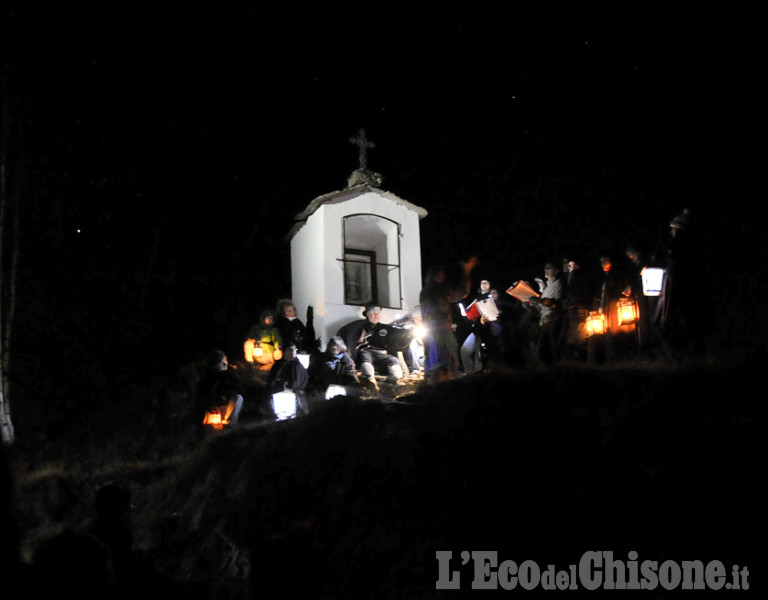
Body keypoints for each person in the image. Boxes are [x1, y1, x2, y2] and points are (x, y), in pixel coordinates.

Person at [336, 304, 404, 390]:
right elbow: (353, 342)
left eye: (378, 313)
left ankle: (397, 379)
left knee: (393, 360)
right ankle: (370, 379)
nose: (376, 315)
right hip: (367, 351)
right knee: (366, 357)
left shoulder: (384, 328)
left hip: (381, 352)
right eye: (373, 313)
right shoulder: (360, 327)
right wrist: (361, 339)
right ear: (367, 315)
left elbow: (391, 344)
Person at [419, 266, 461, 379]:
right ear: (439, 275)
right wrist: (466, 273)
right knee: (449, 354)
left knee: (432, 356)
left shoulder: (425, 290)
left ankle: (430, 380)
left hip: (430, 328)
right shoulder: (440, 288)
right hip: (441, 328)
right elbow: (458, 294)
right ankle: (450, 379)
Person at [526, 262, 563, 367]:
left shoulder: (558, 284)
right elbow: (539, 311)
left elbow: (554, 304)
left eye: (549, 268)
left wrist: (538, 301)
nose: (546, 270)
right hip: (544, 321)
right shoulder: (547, 288)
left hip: (552, 320)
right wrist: (528, 306)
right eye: (545, 268)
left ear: (556, 270)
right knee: (542, 351)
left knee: (546, 350)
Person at [196, 350, 245, 427]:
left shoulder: (230, 373)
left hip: (227, 407)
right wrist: (211, 404)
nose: (225, 364)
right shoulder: (207, 377)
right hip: (212, 411)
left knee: (238, 398)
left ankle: (229, 425)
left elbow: (238, 388)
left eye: (225, 361)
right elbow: (202, 395)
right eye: (222, 362)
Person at [460, 278, 493, 374]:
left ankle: (477, 376)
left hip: (487, 331)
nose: (484, 284)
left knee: (479, 356)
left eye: (486, 282)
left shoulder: (491, 296)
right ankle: (470, 373)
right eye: (482, 283)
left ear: (490, 285)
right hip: (477, 329)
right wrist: (466, 314)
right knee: (464, 351)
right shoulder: (477, 297)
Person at [267, 343, 309, 415]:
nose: (293, 351)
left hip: (295, 395)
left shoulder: (298, 366)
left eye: (294, 349)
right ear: (284, 352)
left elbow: (302, 382)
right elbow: (272, 380)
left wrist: (293, 390)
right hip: (279, 395)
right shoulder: (278, 365)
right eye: (290, 349)